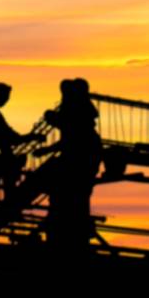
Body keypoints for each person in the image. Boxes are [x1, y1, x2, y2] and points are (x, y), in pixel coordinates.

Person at [35, 78, 101, 250]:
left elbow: (72, 140)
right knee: (72, 195)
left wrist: (46, 149)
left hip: (80, 161)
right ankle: (70, 231)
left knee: (69, 195)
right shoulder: (82, 114)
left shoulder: (76, 114)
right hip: (84, 159)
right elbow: (70, 140)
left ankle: (67, 232)